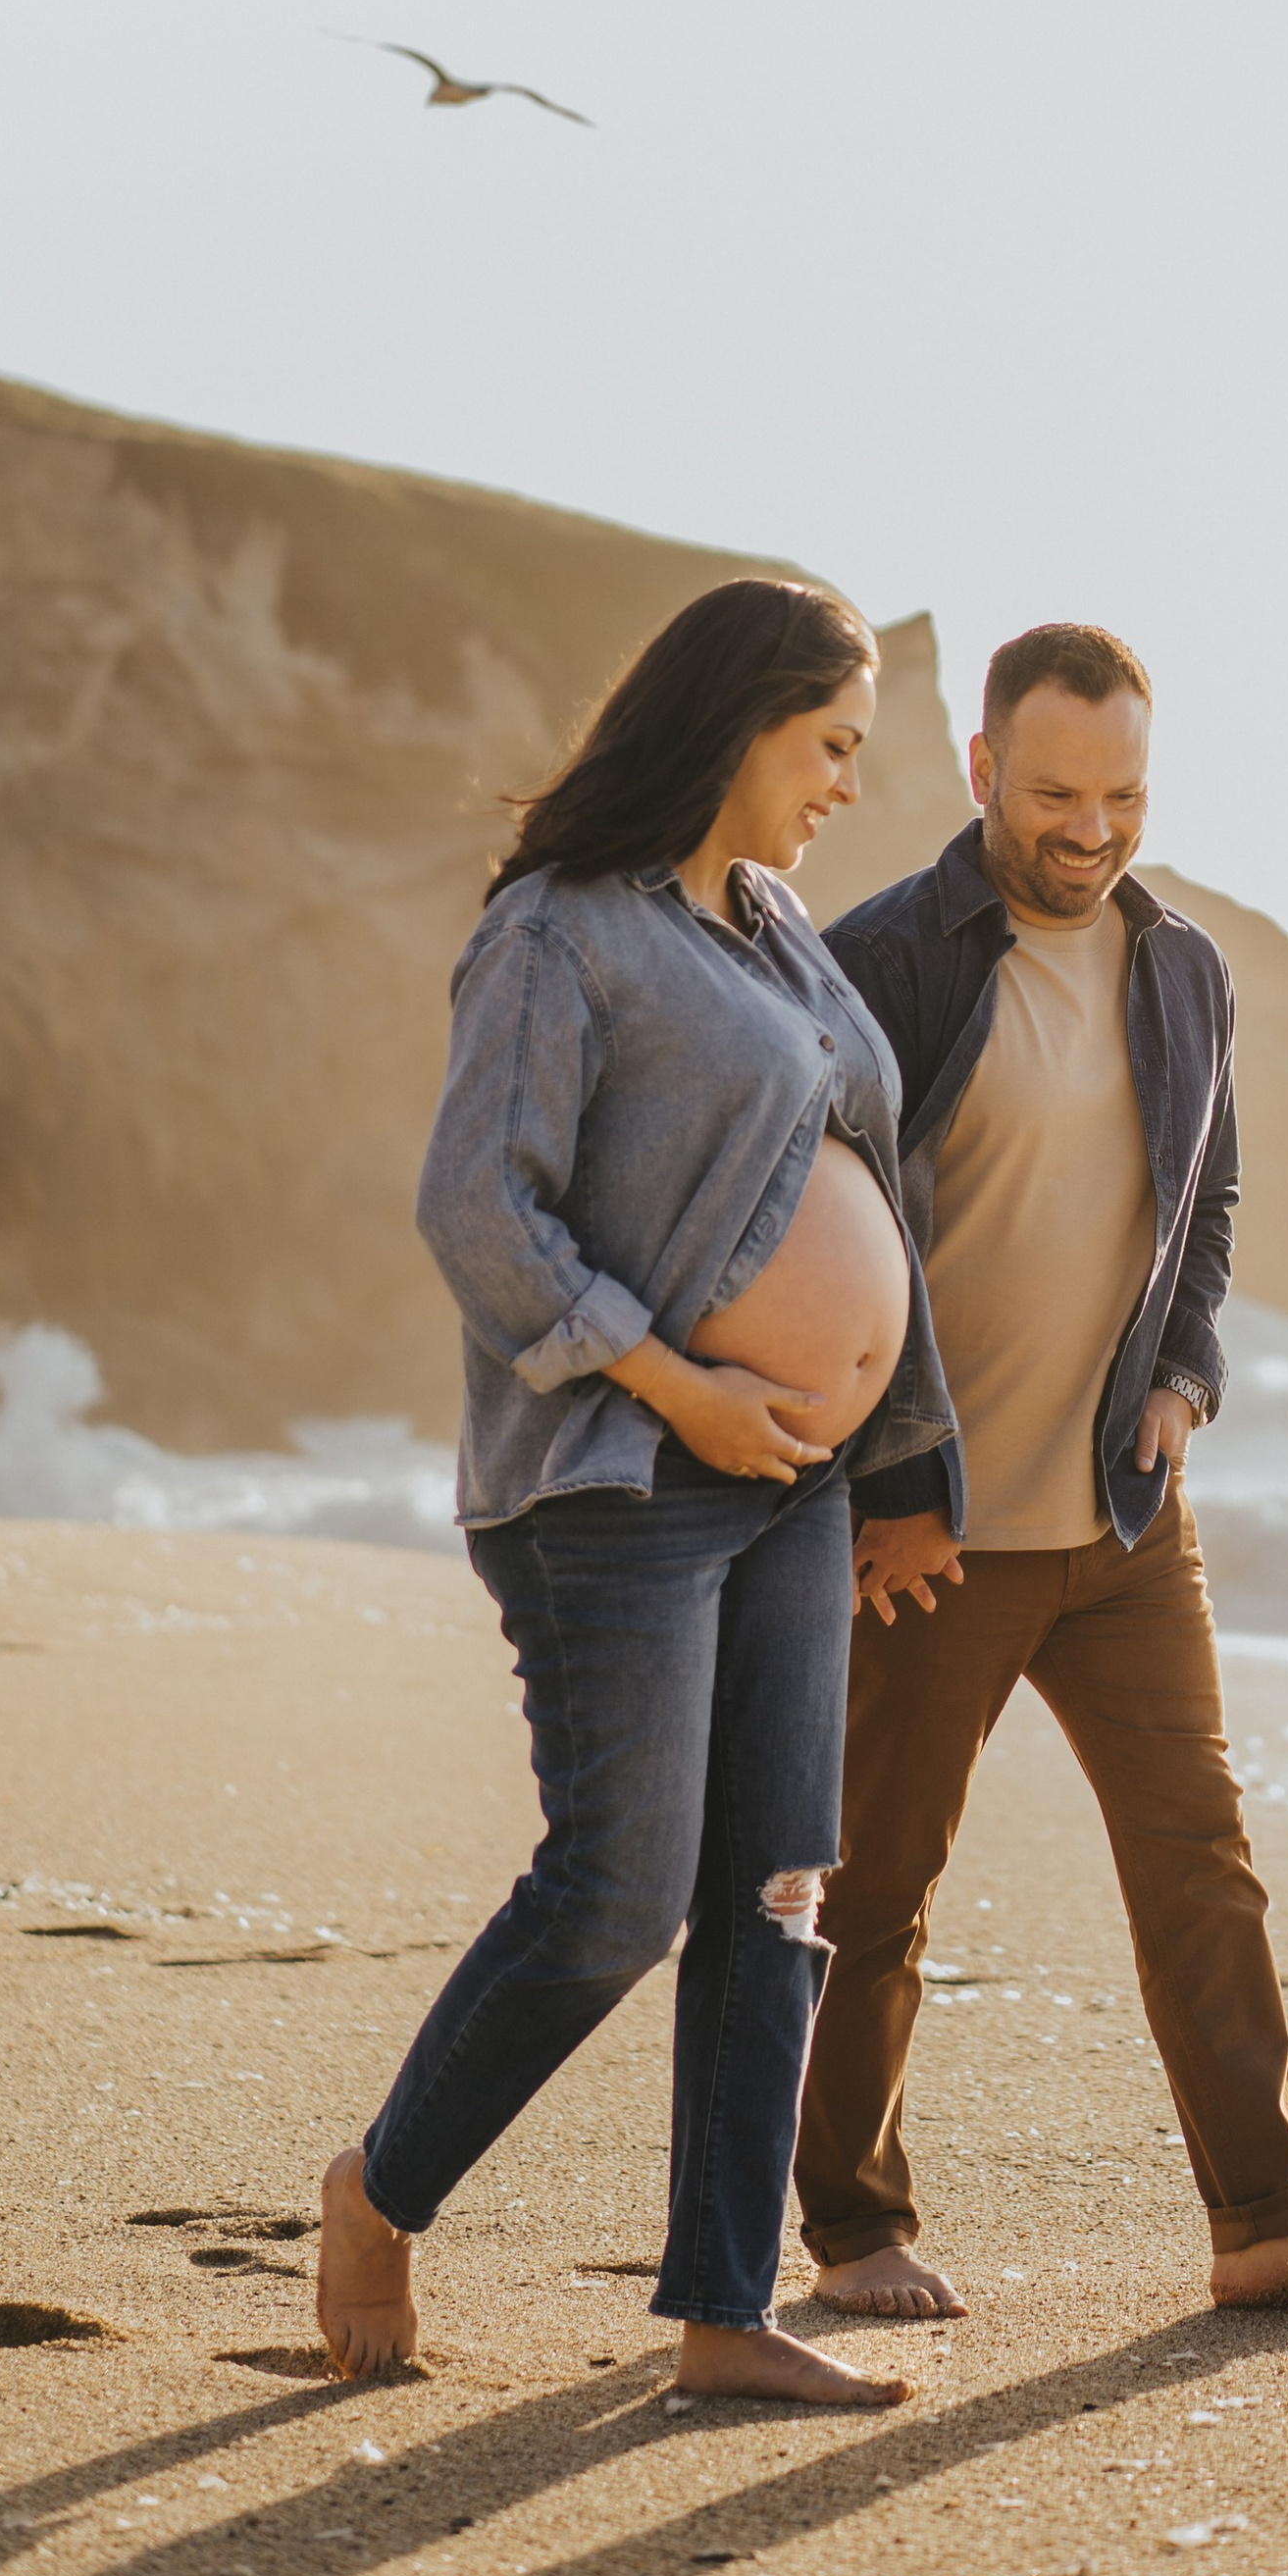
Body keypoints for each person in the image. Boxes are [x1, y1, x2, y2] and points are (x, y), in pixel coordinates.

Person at [315, 579, 957, 2407]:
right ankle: (381, 2189)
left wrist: (897, 1449)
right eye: (831, 743)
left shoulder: (775, 927)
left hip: (797, 1485)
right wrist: (684, 1384)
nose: (848, 782)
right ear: (741, 721)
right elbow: (477, 1207)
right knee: (617, 1892)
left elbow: (870, 1182)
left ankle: (725, 2313)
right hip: (620, 1481)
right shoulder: (559, 930)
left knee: (776, 1888)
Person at [795, 622, 1288, 2319]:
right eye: (1057, 793)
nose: (1092, 829)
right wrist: (882, 1481)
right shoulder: (884, 964)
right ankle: (854, 2233)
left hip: (1125, 1520)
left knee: (1199, 1860)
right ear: (986, 769)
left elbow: (1206, 1196)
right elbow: (819, 1236)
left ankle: (1271, 2216)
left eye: (1125, 796)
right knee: (876, 1889)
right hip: (935, 1527)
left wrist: (1183, 1373)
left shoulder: (1184, 970)